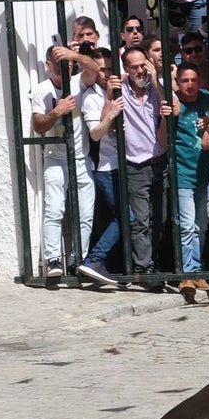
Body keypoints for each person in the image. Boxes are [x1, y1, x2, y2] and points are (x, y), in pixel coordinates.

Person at [31, 44, 100, 278]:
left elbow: (95, 69)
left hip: (81, 158)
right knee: (54, 209)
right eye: (58, 63)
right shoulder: (43, 89)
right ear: (49, 66)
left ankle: (77, 260)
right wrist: (57, 111)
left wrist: (76, 55)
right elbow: (38, 126)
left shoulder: (80, 81)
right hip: (56, 157)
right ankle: (52, 260)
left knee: (85, 213)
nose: (64, 66)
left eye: (67, 63)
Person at [120, 46, 171, 277]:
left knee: (160, 218)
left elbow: (171, 105)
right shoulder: (119, 91)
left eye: (143, 65)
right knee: (141, 220)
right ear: (126, 70)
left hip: (159, 161)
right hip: (135, 165)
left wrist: (156, 79)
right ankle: (144, 267)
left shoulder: (156, 88)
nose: (140, 70)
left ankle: (155, 261)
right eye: (134, 67)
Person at [172, 63, 209, 303]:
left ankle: (196, 270)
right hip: (183, 171)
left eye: (193, 79)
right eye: (185, 81)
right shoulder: (175, 104)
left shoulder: (207, 99)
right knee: (187, 225)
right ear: (177, 82)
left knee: (202, 223)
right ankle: (186, 272)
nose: (189, 85)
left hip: (204, 170)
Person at [79, 47, 126, 286]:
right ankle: (94, 260)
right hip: (106, 166)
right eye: (102, 69)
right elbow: (96, 134)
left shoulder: (122, 88)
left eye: (110, 68)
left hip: (128, 163)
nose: (107, 73)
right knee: (124, 216)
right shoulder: (91, 97)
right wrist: (110, 113)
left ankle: (114, 266)